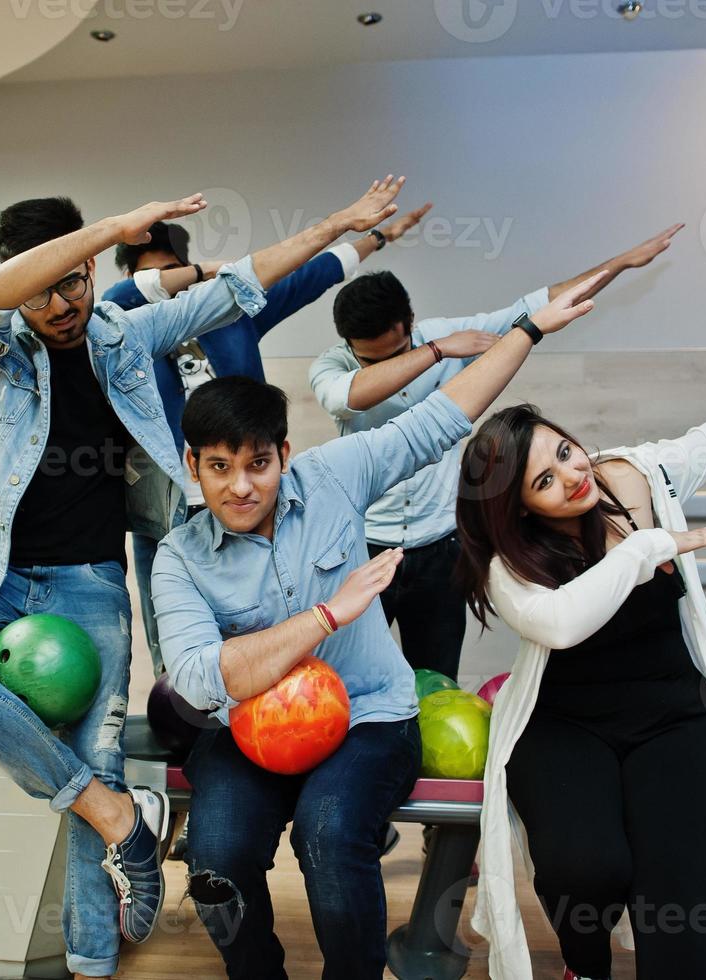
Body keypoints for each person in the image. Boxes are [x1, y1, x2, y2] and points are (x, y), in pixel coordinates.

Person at [0, 176, 406, 980]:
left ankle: (91, 961)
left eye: (75, 279)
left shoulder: (122, 336)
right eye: (45, 288)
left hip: (90, 577)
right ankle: (122, 820)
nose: (62, 302)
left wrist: (338, 225)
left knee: (92, 750)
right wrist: (109, 227)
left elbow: (241, 285)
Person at [148, 269, 609, 979]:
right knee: (216, 857)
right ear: (193, 466)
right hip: (246, 731)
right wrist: (325, 616)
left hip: (366, 717)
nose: (241, 487)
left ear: (284, 456)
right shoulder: (178, 559)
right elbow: (203, 680)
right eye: (219, 468)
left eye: (258, 464)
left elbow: (443, 417)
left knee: (330, 835)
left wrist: (528, 330)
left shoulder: (334, 475)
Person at [453, 369, 706, 980]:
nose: (572, 476)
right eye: (545, 480)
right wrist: (644, 549)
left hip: (675, 718)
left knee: (672, 901)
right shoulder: (507, 561)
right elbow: (563, 624)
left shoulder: (632, 476)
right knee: (585, 869)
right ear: (518, 508)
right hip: (562, 726)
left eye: (566, 452)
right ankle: (586, 967)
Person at [307, 224, 682, 681]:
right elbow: (349, 397)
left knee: (437, 678)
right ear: (349, 345)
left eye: (396, 351)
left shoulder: (442, 333)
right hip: (365, 546)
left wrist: (619, 262)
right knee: (346, 674)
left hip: (442, 545)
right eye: (371, 359)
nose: (385, 366)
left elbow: (536, 308)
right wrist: (436, 351)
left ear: (410, 321)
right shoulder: (335, 365)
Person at [103, 203, 433, 675]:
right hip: (171, 513)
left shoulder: (231, 314)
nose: (169, 285)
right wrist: (196, 273)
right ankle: (188, 738)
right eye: (156, 277)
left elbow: (309, 276)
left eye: (174, 270)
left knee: (270, 641)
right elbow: (114, 299)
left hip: (254, 503)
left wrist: (378, 238)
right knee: (179, 656)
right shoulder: (122, 337)